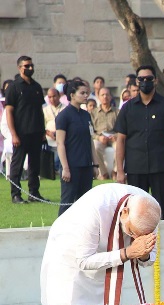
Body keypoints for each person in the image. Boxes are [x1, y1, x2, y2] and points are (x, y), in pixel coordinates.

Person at [40, 184, 161, 305]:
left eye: (141, 235)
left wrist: (143, 253)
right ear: (125, 212)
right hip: (70, 254)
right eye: (131, 233)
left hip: (108, 261)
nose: (136, 238)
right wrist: (127, 253)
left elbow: (149, 258)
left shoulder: (149, 210)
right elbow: (83, 260)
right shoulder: (96, 208)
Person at [114, 65, 164, 220]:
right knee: (136, 210)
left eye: (149, 79)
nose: (145, 81)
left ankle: (163, 241)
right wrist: (119, 170)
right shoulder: (128, 108)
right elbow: (120, 140)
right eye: (141, 79)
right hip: (135, 167)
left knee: (162, 207)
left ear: (156, 81)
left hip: (161, 166)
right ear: (136, 82)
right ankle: (139, 243)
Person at [5, 55, 49, 204]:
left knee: (34, 165)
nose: (30, 68)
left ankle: (34, 193)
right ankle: (15, 194)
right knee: (17, 166)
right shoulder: (14, 87)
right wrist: (13, 134)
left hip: (36, 132)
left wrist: (43, 130)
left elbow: (40, 110)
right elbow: (9, 111)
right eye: (27, 66)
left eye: (31, 65)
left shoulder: (36, 86)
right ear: (19, 68)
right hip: (21, 133)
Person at [55, 80, 103, 215]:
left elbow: (90, 140)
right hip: (71, 165)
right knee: (68, 201)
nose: (86, 96)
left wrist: (95, 165)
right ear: (72, 95)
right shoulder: (63, 116)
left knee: (86, 202)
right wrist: (65, 168)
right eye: (82, 93)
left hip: (86, 164)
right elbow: (60, 143)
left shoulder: (86, 115)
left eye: (87, 93)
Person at [91, 87, 119, 179]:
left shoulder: (117, 112)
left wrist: (116, 136)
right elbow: (90, 130)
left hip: (114, 137)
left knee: (120, 145)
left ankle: (115, 171)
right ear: (98, 97)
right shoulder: (94, 113)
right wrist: (98, 137)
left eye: (107, 94)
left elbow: (123, 128)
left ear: (111, 97)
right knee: (95, 146)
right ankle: (103, 173)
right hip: (100, 137)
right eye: (102, 95)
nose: (105, 97)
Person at [43, 88, 65, 175]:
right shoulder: (45, 110)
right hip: (48, 139)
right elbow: (42, 126)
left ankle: (57, 169)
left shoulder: (65, 108)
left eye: (54, 96)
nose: (52, 99)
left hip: (62, 138)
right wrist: (49, 133)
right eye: (50, 97)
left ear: (59, 96)